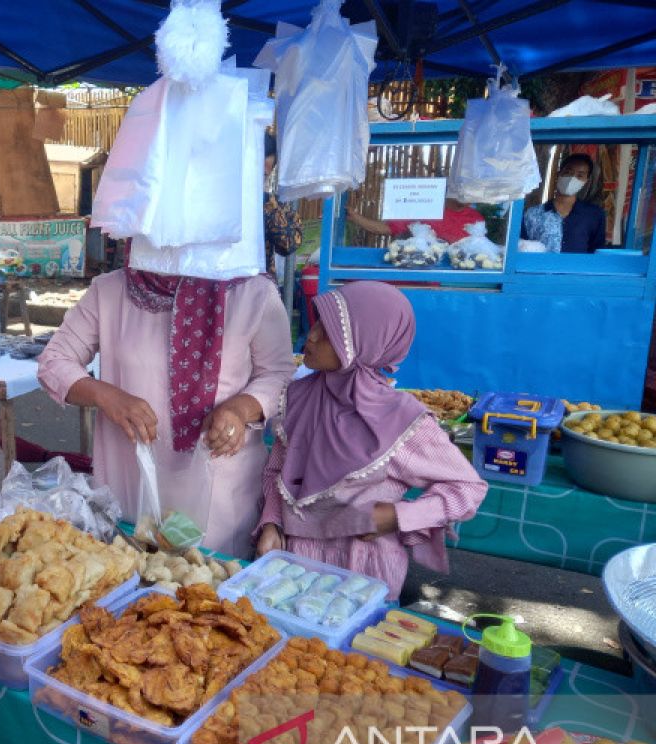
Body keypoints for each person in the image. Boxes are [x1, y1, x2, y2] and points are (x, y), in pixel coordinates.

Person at [38, 263, 295, 556]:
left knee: (209, 588)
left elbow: (279, 373)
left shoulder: (253, 292)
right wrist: (106, 395)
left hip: (220, 492)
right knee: (131, 581)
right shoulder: (110, 290)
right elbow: (54, 361)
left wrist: (242, 408)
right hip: (130, 483)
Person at [255, 281, 488, 600]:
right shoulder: (297, 397)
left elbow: (469, 489)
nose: (312, 335)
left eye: (331, 330)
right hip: (293, 564)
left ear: (366, 341)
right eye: (317, 322)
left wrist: (400, 517)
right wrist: (271, 523)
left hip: (363, 571)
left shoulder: (401, 420)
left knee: (355, 648)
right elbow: (275, 472)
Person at [523, 153, 607, 254]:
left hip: (577, 269)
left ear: (586, 181)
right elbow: (521, 248)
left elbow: (597, 253)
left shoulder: (594, 215)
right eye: (568, 172)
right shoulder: (533, 214)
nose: (572, 178)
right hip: (540, 269)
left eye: (580, 175)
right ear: (559, 174)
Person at [347, 195, 485, 244]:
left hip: (455, 281)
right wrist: (356, 218)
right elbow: (387, 228)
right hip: (421, 277)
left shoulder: (476, 218)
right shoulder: (426, 208)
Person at [263, 132, 303, 278]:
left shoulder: (274, 204)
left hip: (258, 290)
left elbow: (288, 244)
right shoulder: (220, 200)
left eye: (265, 174)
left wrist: (266, 199)